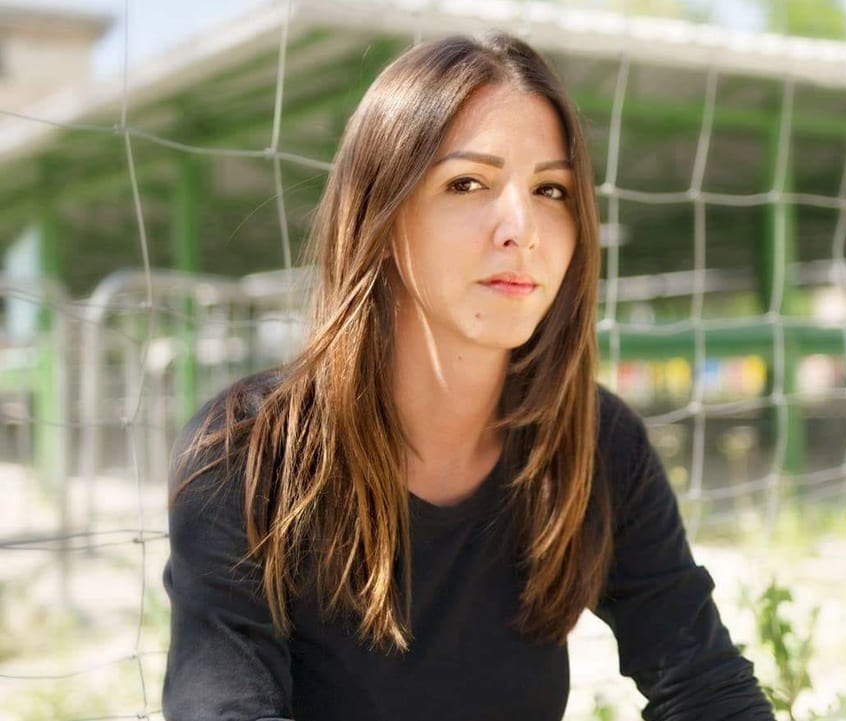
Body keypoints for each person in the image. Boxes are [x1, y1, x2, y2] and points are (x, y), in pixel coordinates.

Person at [162, 31, 774, 721]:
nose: (522, 226)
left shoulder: (596, 444)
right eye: (468, 183)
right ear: (381, 216)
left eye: (551, 189)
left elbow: (706, 684)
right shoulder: (248, 454)